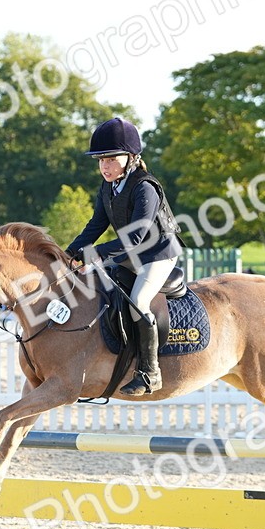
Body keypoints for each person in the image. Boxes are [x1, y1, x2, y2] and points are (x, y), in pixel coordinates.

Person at [66, 117, 182, 396]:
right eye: (100, 160)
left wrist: (92, 254)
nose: (104, 166)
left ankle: (150, 372)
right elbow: (95, 226)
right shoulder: (108, 187)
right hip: (133, 255)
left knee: (138, 300)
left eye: (110, 159)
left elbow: (135, 238)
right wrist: (68, 253)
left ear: (131, 157)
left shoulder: (145, 187)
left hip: (158, 253)